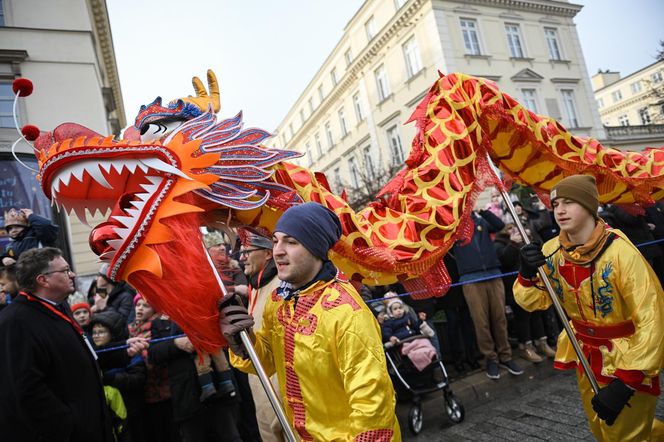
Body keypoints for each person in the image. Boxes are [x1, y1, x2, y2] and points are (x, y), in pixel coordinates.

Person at [222, 202, 400, 441]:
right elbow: (270, 363)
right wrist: (244, 343)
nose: (278, 251)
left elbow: (374, 410)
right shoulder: (280, 302)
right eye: (276, 240)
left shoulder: (348, 314)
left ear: (316, 248)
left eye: (291, 242)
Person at [514, 175, 664, 441]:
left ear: (589, 206)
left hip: (626, 364)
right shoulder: (552, 251)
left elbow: (653, 318)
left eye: (569, 202)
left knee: (627, 435)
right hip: (585, 358)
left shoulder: (621, 254)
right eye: (557, 202)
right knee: (602, 430)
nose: (559, 210)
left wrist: (627, 381)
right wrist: (527, 273)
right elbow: (533, 301)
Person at [0, 247, 112, 441]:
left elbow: (76, 355)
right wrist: (69, 424)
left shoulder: (58, 306)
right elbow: (27, 389)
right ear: (43, 280)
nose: (73, 274)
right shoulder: (15, 321)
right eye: (65, 270)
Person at [452, 208, 523, 380]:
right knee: (481, 322)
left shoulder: (481, 220)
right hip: (471, 279)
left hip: (493, 275)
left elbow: (499, 225)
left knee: (500, 318)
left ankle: (506, 356)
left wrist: (482, 211)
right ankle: (490, 358)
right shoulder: (453, 228)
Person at [236, 227, 284, 442]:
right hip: (259, 382)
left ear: (267, 253)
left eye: (247, 251)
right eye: (240, 252)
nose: (242, 257)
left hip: (280, 384)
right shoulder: (255, 285)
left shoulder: (281, 287)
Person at [381, 298, 437, 372]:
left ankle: (431, 355)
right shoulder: (389, 322)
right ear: (390, 312)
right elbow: (386, 332)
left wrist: (420, 320)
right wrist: (391, 337)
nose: (398, 310)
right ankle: (422, 360)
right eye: (395, 309)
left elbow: (416, 327)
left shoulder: (408, 317)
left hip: (415, 339)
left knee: (426, 342)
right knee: (413, 352)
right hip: (403, 342)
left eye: (400, 308)